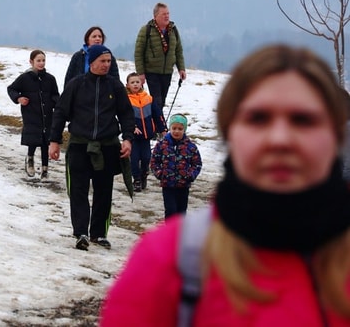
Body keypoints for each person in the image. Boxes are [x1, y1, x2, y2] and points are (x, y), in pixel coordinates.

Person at [101, 44, 350, 326]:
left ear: (335, 135)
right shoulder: (167, 262)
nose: (280, 138)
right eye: (259, 118)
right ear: (230, 131)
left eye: (303, 120)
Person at [49, 44, 135, 251]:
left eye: (109, 61)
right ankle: (81, 232)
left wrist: (128, 139)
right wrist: (54, 141)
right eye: (102, 61)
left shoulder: (115, 87)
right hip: (79, 145)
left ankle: (99, 233)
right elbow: (60, 112)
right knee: (78, 190)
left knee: (104, 191)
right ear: (93, 62)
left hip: (107, 147)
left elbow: (126, 114)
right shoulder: (76, 85)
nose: (106, 65)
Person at [134, 2, 185, 135]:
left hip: (167, 72)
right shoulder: (146, 30)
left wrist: (181, 69)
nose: (167, 16)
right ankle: (160, 129)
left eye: (168, 13)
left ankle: (155, 127)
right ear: (156, 16)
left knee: (161, 102)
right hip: (151, 71)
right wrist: (141, 73)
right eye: (164, 14)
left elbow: (178, 50)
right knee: (156, 101)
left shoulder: (173, 30)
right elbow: (138, 52)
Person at [7, 49, 60, 179]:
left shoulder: (50, 79)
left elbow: (55, 95)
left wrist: (56, 104)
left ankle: (45, 169)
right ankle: (30, 159)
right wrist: (19, 98)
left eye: (43, 60)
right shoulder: (25, 78)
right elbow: (11, 89)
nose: (41, 63)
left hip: (47, 115)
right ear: (31, 62)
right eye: (38, 61)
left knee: (45, 141)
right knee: (33, 139)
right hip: (31, 113)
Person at [150, 113, 202, 218]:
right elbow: (154, 161)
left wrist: (190, 175)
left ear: (184, 130)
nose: (176, 131)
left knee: (181, 212)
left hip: (183, 185)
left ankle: (180, 232)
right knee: (170, 210)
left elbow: (197, 163)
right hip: (167, 184)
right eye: (174, 128)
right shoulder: (162, 144)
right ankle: (169, 232)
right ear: (170, 128)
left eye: (180, 129)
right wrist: (160, 173)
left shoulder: (190, 146)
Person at [125, 72, 155, 192]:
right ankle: (136, 179)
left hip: (146, 136)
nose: (135, 84)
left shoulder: (148, 98)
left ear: (142, 83)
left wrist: (162, 128)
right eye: (132, 82)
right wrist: (132, 127)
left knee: (146, 157)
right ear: (127, 85)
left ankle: (144, 175)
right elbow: (125, 116)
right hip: (133, 138)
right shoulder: (126, 100)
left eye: (137, 82)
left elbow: (157, 114)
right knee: (134, 159)